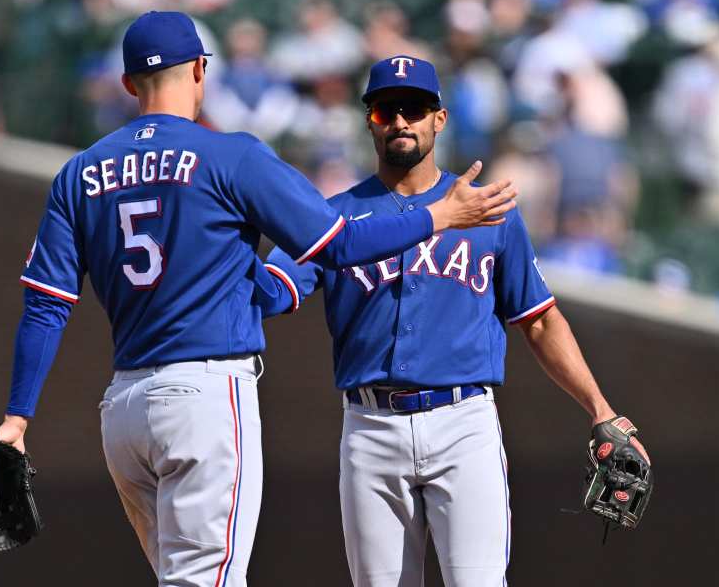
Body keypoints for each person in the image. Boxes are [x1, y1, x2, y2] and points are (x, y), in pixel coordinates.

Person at [0, 13, 516, 587]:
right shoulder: (229, 156)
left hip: (123, 411)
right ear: (199, 71)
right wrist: (440, 215)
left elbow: (46, 305)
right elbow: (340, 245)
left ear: (127, 85)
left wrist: (17, 418)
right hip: (203, 397)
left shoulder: (78, 174)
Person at [259, 55, 650, 587]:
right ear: (369, 119)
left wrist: (601, 410)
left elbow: (538, 319)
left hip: (462, 422)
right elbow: (270, 292)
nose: (400, 121)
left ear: (438, 119)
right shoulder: (333, 218)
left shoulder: (489, 212)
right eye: (386, 110)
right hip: (370, 425)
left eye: (415, 108)